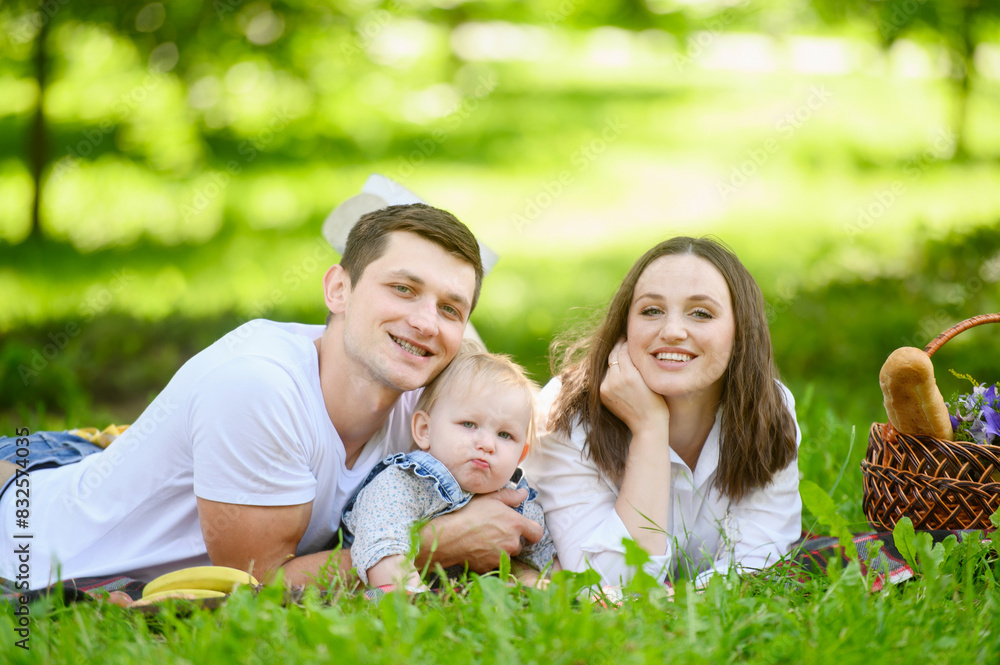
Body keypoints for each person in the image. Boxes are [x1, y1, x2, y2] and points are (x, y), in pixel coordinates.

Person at [0, 203, 543, 591]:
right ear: (339, 290)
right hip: (33, 536)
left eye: (451, 308)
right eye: (402, 288)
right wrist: (435, 544)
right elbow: (257, 583)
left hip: (79, 461)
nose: (426, 322)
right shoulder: (257, 385)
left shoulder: (433, 392)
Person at [521, 236, 801, 588]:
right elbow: (605, 582)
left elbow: (758, 564)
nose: (671, 331)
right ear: (625, 328)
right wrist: (649, 429)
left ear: (740, 333)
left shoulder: (765, 409)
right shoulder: (567, 412)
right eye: (651, 311)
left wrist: (677, 601)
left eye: (701, 313)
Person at [341, 341, 557, 590]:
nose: (487, 444)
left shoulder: (516, 500)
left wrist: (551, 582)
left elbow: (545, 553)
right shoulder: (404, 483)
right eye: (468, 424)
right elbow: (384, 546)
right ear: (425, 430)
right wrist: (410, 597)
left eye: (505, 435)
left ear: (521, 456)